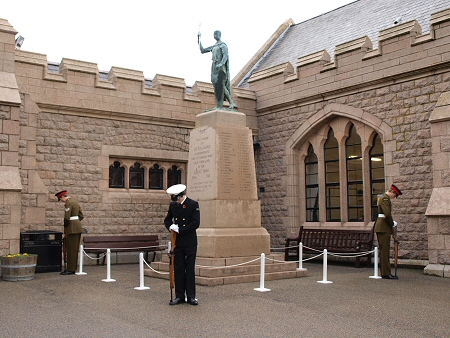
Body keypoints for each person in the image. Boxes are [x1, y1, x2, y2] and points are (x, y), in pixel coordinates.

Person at [164, 184, 200, 305]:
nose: (177, 201)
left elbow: (195, 223)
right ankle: (179, 296)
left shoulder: (193, 204)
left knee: (189, 269)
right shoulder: (173, 205)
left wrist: (181, 230)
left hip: (189, 241)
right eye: (175, 199)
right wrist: (171, 227)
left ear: (182, 195)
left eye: (178, 199)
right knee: (178, 269)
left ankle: (191, 296)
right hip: (177, 242)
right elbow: (167, 219)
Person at [198, 30, 235, 110]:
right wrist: (199, 39)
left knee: (221, 85)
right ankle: (219, 105)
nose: (215, 35)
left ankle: (231, 102)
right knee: (216, 86)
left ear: (219, 35)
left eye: (217, 34)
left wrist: (221, 64)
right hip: (214, 67)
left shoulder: (223, 45)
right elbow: (203, 50)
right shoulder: (214, 46)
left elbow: (225, 56)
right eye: (214, 34)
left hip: (221, 68)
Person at [374, 184, 402, 279]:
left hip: (383, 226)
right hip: (383, 227)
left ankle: (385, 272)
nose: (394, 198)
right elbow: (387, 214)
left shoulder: (384, 198)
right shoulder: (385, 199)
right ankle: (386, 273)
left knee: (384, 251)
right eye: (395, 195)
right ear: (392, 192)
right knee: (385, 251)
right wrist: (392, 223)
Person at [55, 190, 84, 275]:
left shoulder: (68, 203)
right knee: (74, 249)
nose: (61, 201)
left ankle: (71, 269)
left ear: (63, 197)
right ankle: (72, 268)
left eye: (60, 199)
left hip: (71, 228)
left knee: (71, 249)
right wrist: (76, 222)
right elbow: (81, 215)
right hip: (77, 227)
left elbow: (67, 218)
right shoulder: (75, 202)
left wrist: (66, 227)